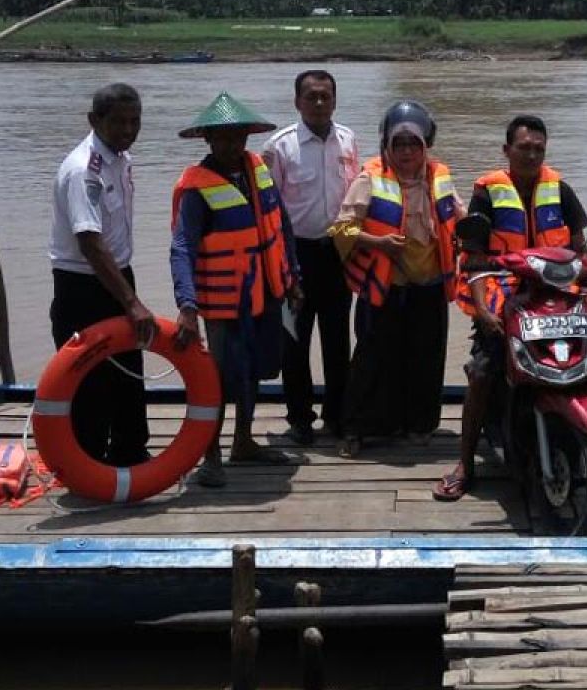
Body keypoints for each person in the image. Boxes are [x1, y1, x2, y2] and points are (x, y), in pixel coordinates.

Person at [432, 114, 587, 501]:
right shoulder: (488, 192)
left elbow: (580, 247)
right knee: (484, 370)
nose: (532, 154)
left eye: (539, 148)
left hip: (557, 294)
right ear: (507, 151)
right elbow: (473, 255)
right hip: (506, 294)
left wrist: (586, 294)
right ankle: (465, 465)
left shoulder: (560, 189)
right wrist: (484, 312)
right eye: (524, 148)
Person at [170, 92, 304, 488]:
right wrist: (187, 305)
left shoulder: (256, 168)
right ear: (207, 140)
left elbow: (283, 224)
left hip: (265, 293)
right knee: (218, 378)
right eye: (222, 138)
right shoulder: (196, 188)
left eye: (237, 136)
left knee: (254, 372)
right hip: (223, 305)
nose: (231, 145)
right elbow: (181, 248)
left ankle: (243, 441)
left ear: (247, 136)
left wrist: (293, 276)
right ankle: (210, 456)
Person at [329, 100, 464, 458]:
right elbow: (342, 228)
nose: (406, 152)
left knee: (426, 357)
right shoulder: (369, 177)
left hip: (430, 286)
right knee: (372, 359)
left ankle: (418, 425)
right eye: (399, 144)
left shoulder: (439, 176)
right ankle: (356, 429)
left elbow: (460, 217)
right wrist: (379, 242)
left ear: (425, 146)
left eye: (413, 144)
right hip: (385, 286)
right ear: (386, 146)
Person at [48, 82, 153, 467]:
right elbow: (90, 242)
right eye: (119, 122)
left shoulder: (121, 159)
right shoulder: (83, 170)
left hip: (119, 275)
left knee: (128, 373)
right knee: (90, 383)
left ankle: (130, 453)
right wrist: (131, 301)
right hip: (83, 286)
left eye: (135, 121)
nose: (128, 130)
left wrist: (128, 293)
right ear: (95, 120)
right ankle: (88, 466)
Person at [262, 70, 359, 446]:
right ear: (297, 102)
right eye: (311, 97)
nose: (319, 103)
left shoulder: (348, 139)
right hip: (295, 253)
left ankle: (336, 416)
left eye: (325, 96)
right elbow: (268, 210)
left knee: (337, 340)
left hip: (337, 252)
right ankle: (300, 418)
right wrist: (281, 266)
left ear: (335, 100)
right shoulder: (280, 146)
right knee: (294, 342)